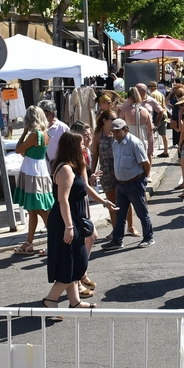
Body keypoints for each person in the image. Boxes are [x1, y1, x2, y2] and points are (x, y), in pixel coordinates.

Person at [44, 133, 115, 318]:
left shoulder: (74, 167)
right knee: (71, 262)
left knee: (76, 260)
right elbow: (62, 200)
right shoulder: (66, 169)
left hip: (72, 218)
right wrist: (68, 227)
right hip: (65, 220)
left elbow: (86, 188)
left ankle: (74, 302)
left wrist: (104, 202)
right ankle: (51, 299)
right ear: (73, 147)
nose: (85, 146)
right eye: (82, 144)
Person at [102, 119, 154, 249]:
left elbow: (145, 163)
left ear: (126, 130)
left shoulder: (135, 143)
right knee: (120, 213)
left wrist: (144, 178)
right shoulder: (115, 144)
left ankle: (148, 237)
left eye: (118, 131)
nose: (115, 134)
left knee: (141, 211)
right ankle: (117, 240)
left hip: (134, 183)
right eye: (113, 132)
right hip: (121, 184)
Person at [13, 106, 55, 255]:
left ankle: (54, 242)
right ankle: (29, 243)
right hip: (39, 170)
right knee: (32, 210)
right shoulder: (45, 133)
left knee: (40, 209)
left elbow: (18, 149)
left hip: (32, 172)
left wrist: (24, 132)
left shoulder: (34, 134)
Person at [119, 89, 154, 158]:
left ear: (129, 98)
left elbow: (120, 126)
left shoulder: (125, 110)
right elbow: (150, 128)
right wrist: (148, 139)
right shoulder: (145, 111)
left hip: (129, 139)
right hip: (142, 138)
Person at [37, 100, 69, 166]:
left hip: (58, 167)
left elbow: (69, 149)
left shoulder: (63, 128)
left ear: (49, 113)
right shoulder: (38, 128)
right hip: (42, 168)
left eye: (41, 112)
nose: (38, 115)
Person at [147, 81, 170, 158]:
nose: (149, 89)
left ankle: (151, 151)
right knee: (164, 135)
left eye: (149, 87)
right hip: (164, 115)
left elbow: (154, 107)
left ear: (152, 87)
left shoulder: (152, 95)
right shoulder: (160, 94)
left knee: (151, 134)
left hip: (157, 116)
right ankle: (166, 151)